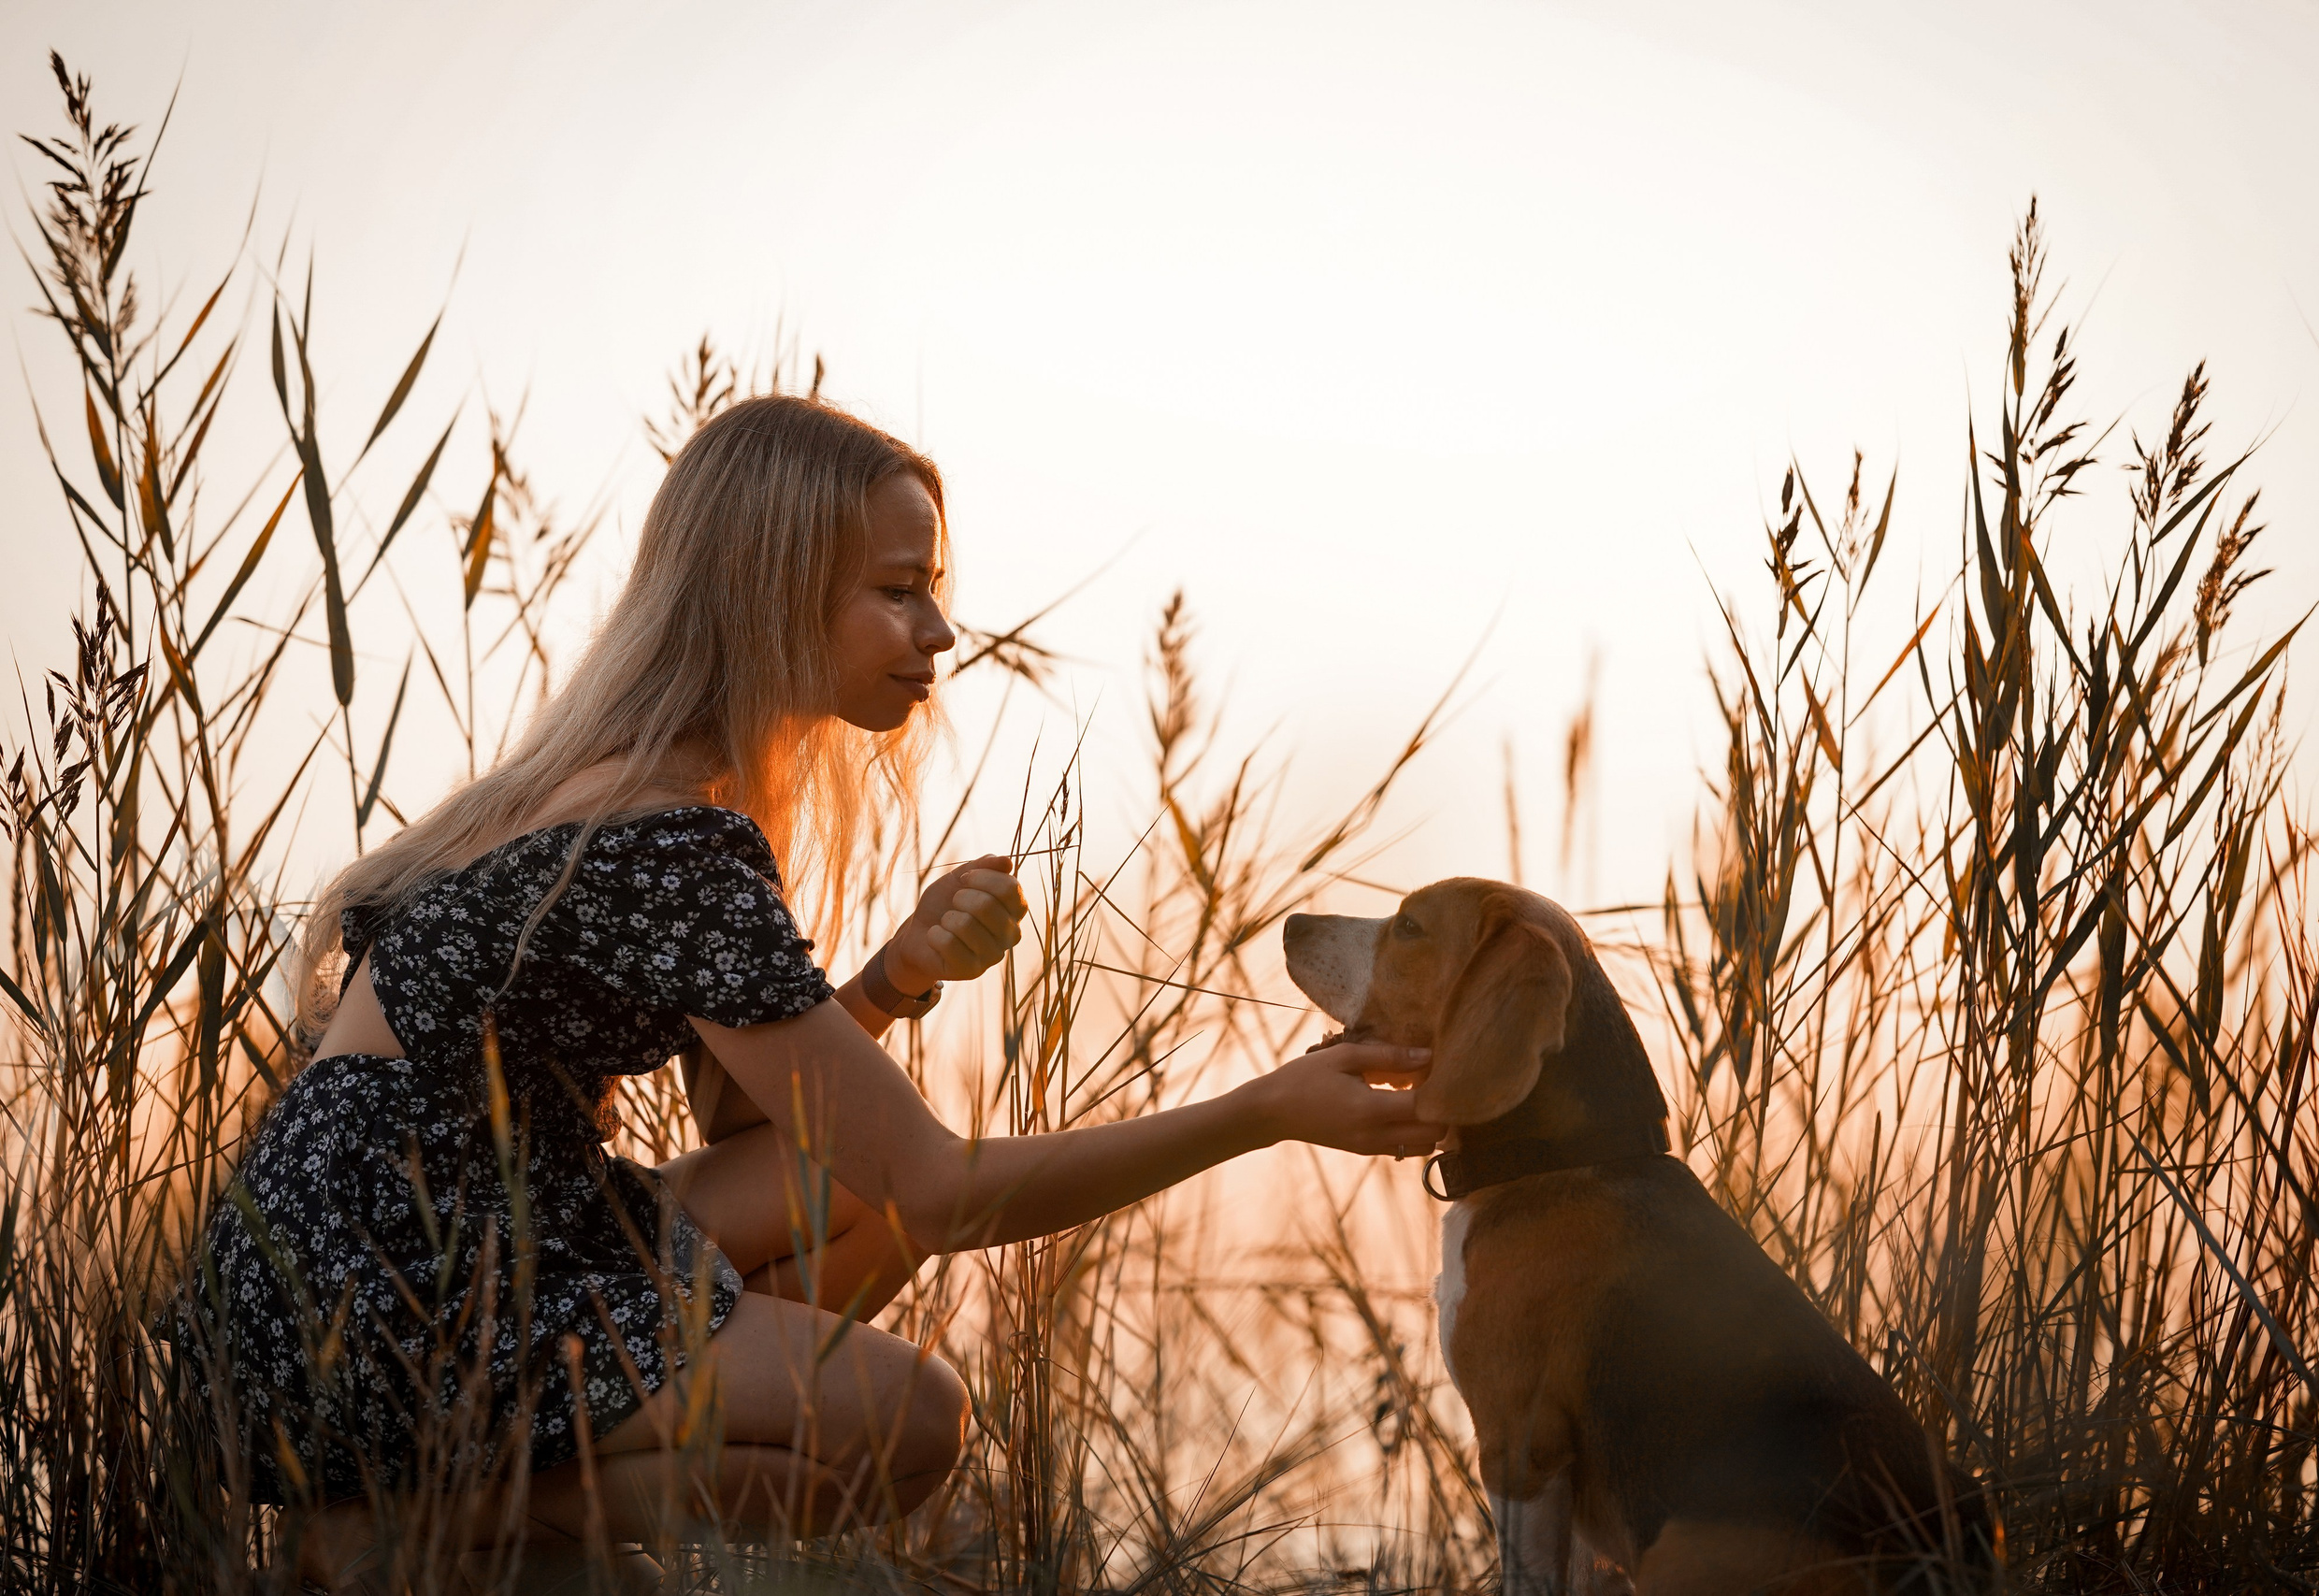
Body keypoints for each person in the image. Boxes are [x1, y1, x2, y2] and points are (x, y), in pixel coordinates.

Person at [168, 395, 1441, 1588]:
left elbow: (747, 1125)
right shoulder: (668, 835)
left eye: (932, 590)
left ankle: (491, 1519)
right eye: (898, 590)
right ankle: (413, 1521)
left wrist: (895, 976)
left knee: (847, 1193)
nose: (940, 632)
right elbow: (937, 1191)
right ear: (771, 590)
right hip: (399, 1291)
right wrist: (1264, 1111)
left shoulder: (601, 792)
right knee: (909, 1423)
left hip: (338, 1267)